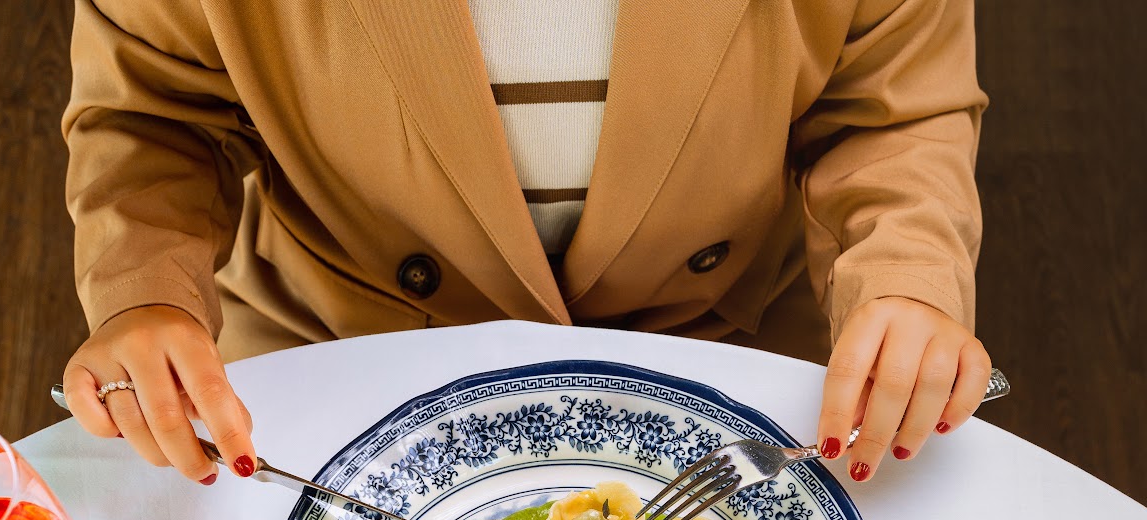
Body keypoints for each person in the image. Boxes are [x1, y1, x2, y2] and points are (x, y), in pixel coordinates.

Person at [59, 0, 992, 488]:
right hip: (345, 338)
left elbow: (890, 107)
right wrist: (147, 291)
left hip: (722, 334)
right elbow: (153, 115)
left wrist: (905, 275)